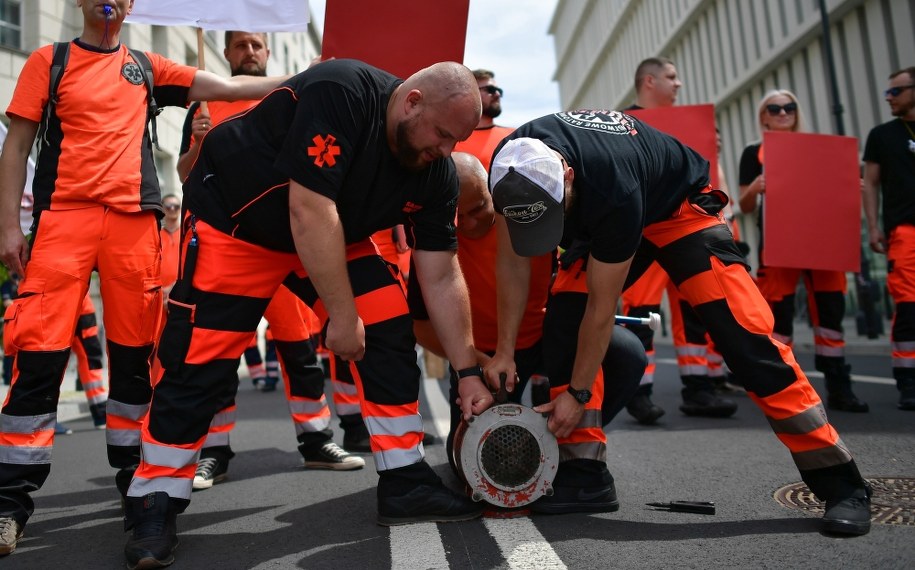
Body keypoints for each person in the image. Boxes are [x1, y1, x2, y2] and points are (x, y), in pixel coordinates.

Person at [120, 59, 491, 567]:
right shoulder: (341, 90)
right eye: (443, 135)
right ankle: (155, 497)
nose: (446, 152)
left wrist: (467, 370)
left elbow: (442, 275)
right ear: (412, 102)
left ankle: (405, 479)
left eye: (456, 142)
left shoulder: (436, 174)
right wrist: (340, 315)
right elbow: (308, 208)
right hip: (240, 221)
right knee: (199, 357)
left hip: (338, 231)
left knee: (386, 324)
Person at [487, 110, 872, 536]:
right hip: (608, 206)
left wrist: (577, 394)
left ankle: (841, 483)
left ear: (569, 177)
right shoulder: (509, 168)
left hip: (676, 210)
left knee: (744, 336)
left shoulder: (613, 187)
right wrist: (504, 350)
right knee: (563, 321)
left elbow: (602, 306)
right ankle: (584, 475)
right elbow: (512, 262)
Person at [0, 1, 290, 557]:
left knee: (136, 360)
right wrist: (10, 225)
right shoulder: (49, 60)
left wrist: (308, 76)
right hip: (63, 220)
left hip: (135, 224)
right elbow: (16, 144)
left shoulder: (149, 66)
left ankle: (137, 489)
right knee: (36, 353)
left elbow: (229, 87)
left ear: (131, 5)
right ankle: (10, 503)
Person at [174, 32, 364, 490]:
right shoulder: (204, 105)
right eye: (240, 45)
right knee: (219, 353)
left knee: (299, 349)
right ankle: (213, 452)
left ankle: (316, 439)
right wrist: (198, 142)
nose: (250, 52)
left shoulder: (290, 97)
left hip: (283, 244)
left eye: (256, 45)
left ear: (269, 52)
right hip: (228, 248)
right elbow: (184, 175)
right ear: (226, 54)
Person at [410, 152, 646, 478]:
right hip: (482, 360)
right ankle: (522, 435)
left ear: (494, 193)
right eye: (457, 216)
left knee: (627, 353)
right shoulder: (433, 240)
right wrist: (474, 366)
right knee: (468, 465)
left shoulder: (530, 215)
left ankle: (558, 436)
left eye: (479, 208)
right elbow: (421, 328)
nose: (470, 223)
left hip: (544, 342)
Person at [620, 57, 737, 423]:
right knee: (640, 314)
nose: (679, 83)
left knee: (693, 311)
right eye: (672, 77)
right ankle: (637, 392)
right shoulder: (623, 122)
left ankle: (699, 389)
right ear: (649, 81)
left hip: (690, 227)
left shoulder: (692, 126)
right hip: (648, 229)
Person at [738, 89, 868, 413]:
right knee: (779, 321)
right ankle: (788, 393)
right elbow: (744, 205)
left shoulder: (820, 150)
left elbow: (837, 196)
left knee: (830, 317)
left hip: (824, 245)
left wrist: (854, 187)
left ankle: (839, 387)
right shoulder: (753, 153)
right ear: (763, 116)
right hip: (780, 247)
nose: (783, 112)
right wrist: (755, 187)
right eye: (775, 108)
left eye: (789, 107)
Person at [862, 66, 915, 411]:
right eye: (887, 92)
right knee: (909, 305)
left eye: (895, 91)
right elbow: (871, 183)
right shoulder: (882, 135)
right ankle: (909, 381)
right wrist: (873, 225)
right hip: (905, 231)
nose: (889, 98)